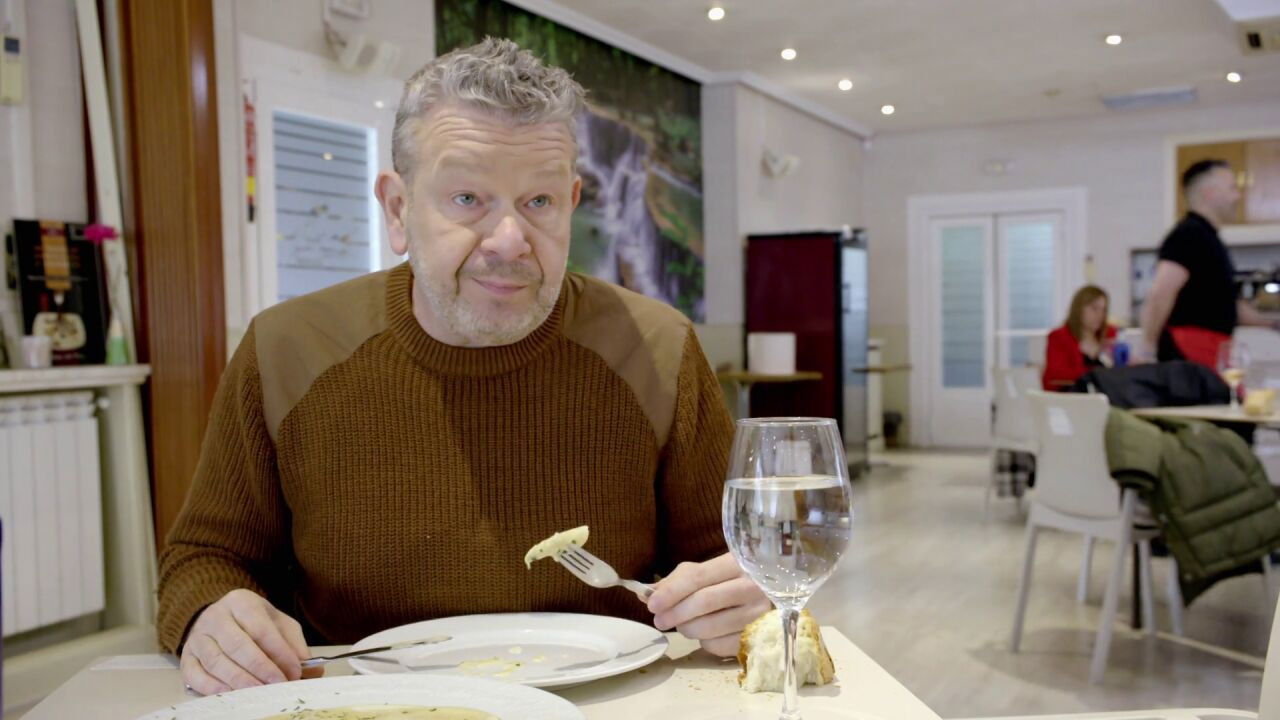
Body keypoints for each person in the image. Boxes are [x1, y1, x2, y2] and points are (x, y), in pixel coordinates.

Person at [159, 38, 768, 696]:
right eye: (468, 199)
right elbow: (204, 559)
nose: (509, 242)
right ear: (398, 209)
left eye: (539, 202)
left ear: (571, 201)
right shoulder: (288, 349)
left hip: (608, 701)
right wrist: (211, 615)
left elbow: (732, 561)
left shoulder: (657, 350)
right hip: (356, 703)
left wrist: (746, 597)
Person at [1139, 159, 1279, 367]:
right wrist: (1147, 348)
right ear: (1209, 193)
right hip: (1188, 355)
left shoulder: (1208, 239)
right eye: (1232, 188)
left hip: (1210, 351)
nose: (1238, 196)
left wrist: (1273, 324)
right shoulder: (1188, 234)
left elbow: (1228, 306)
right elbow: (1160, 294)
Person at [1042, 285, 1117, 390]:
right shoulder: (1059, 337)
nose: (1100, 315)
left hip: (1104, 395)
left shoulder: (1110, 335)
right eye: (1094, 308)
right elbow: (1057, 375)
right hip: (1069, 396)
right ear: (1078, 309)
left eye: (1104, 310)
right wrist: (1098, 374)